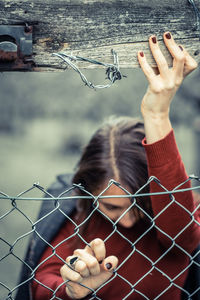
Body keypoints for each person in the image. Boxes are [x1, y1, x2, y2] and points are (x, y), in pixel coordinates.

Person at [15, 32, 200, 300]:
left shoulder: (181, 217)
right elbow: (41, 282)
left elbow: (183, 237)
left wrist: (157, 113)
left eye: (139, 206)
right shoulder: (75, 213)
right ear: (89, 193)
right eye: (112, 206)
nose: (126, 221)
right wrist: (70, 289)